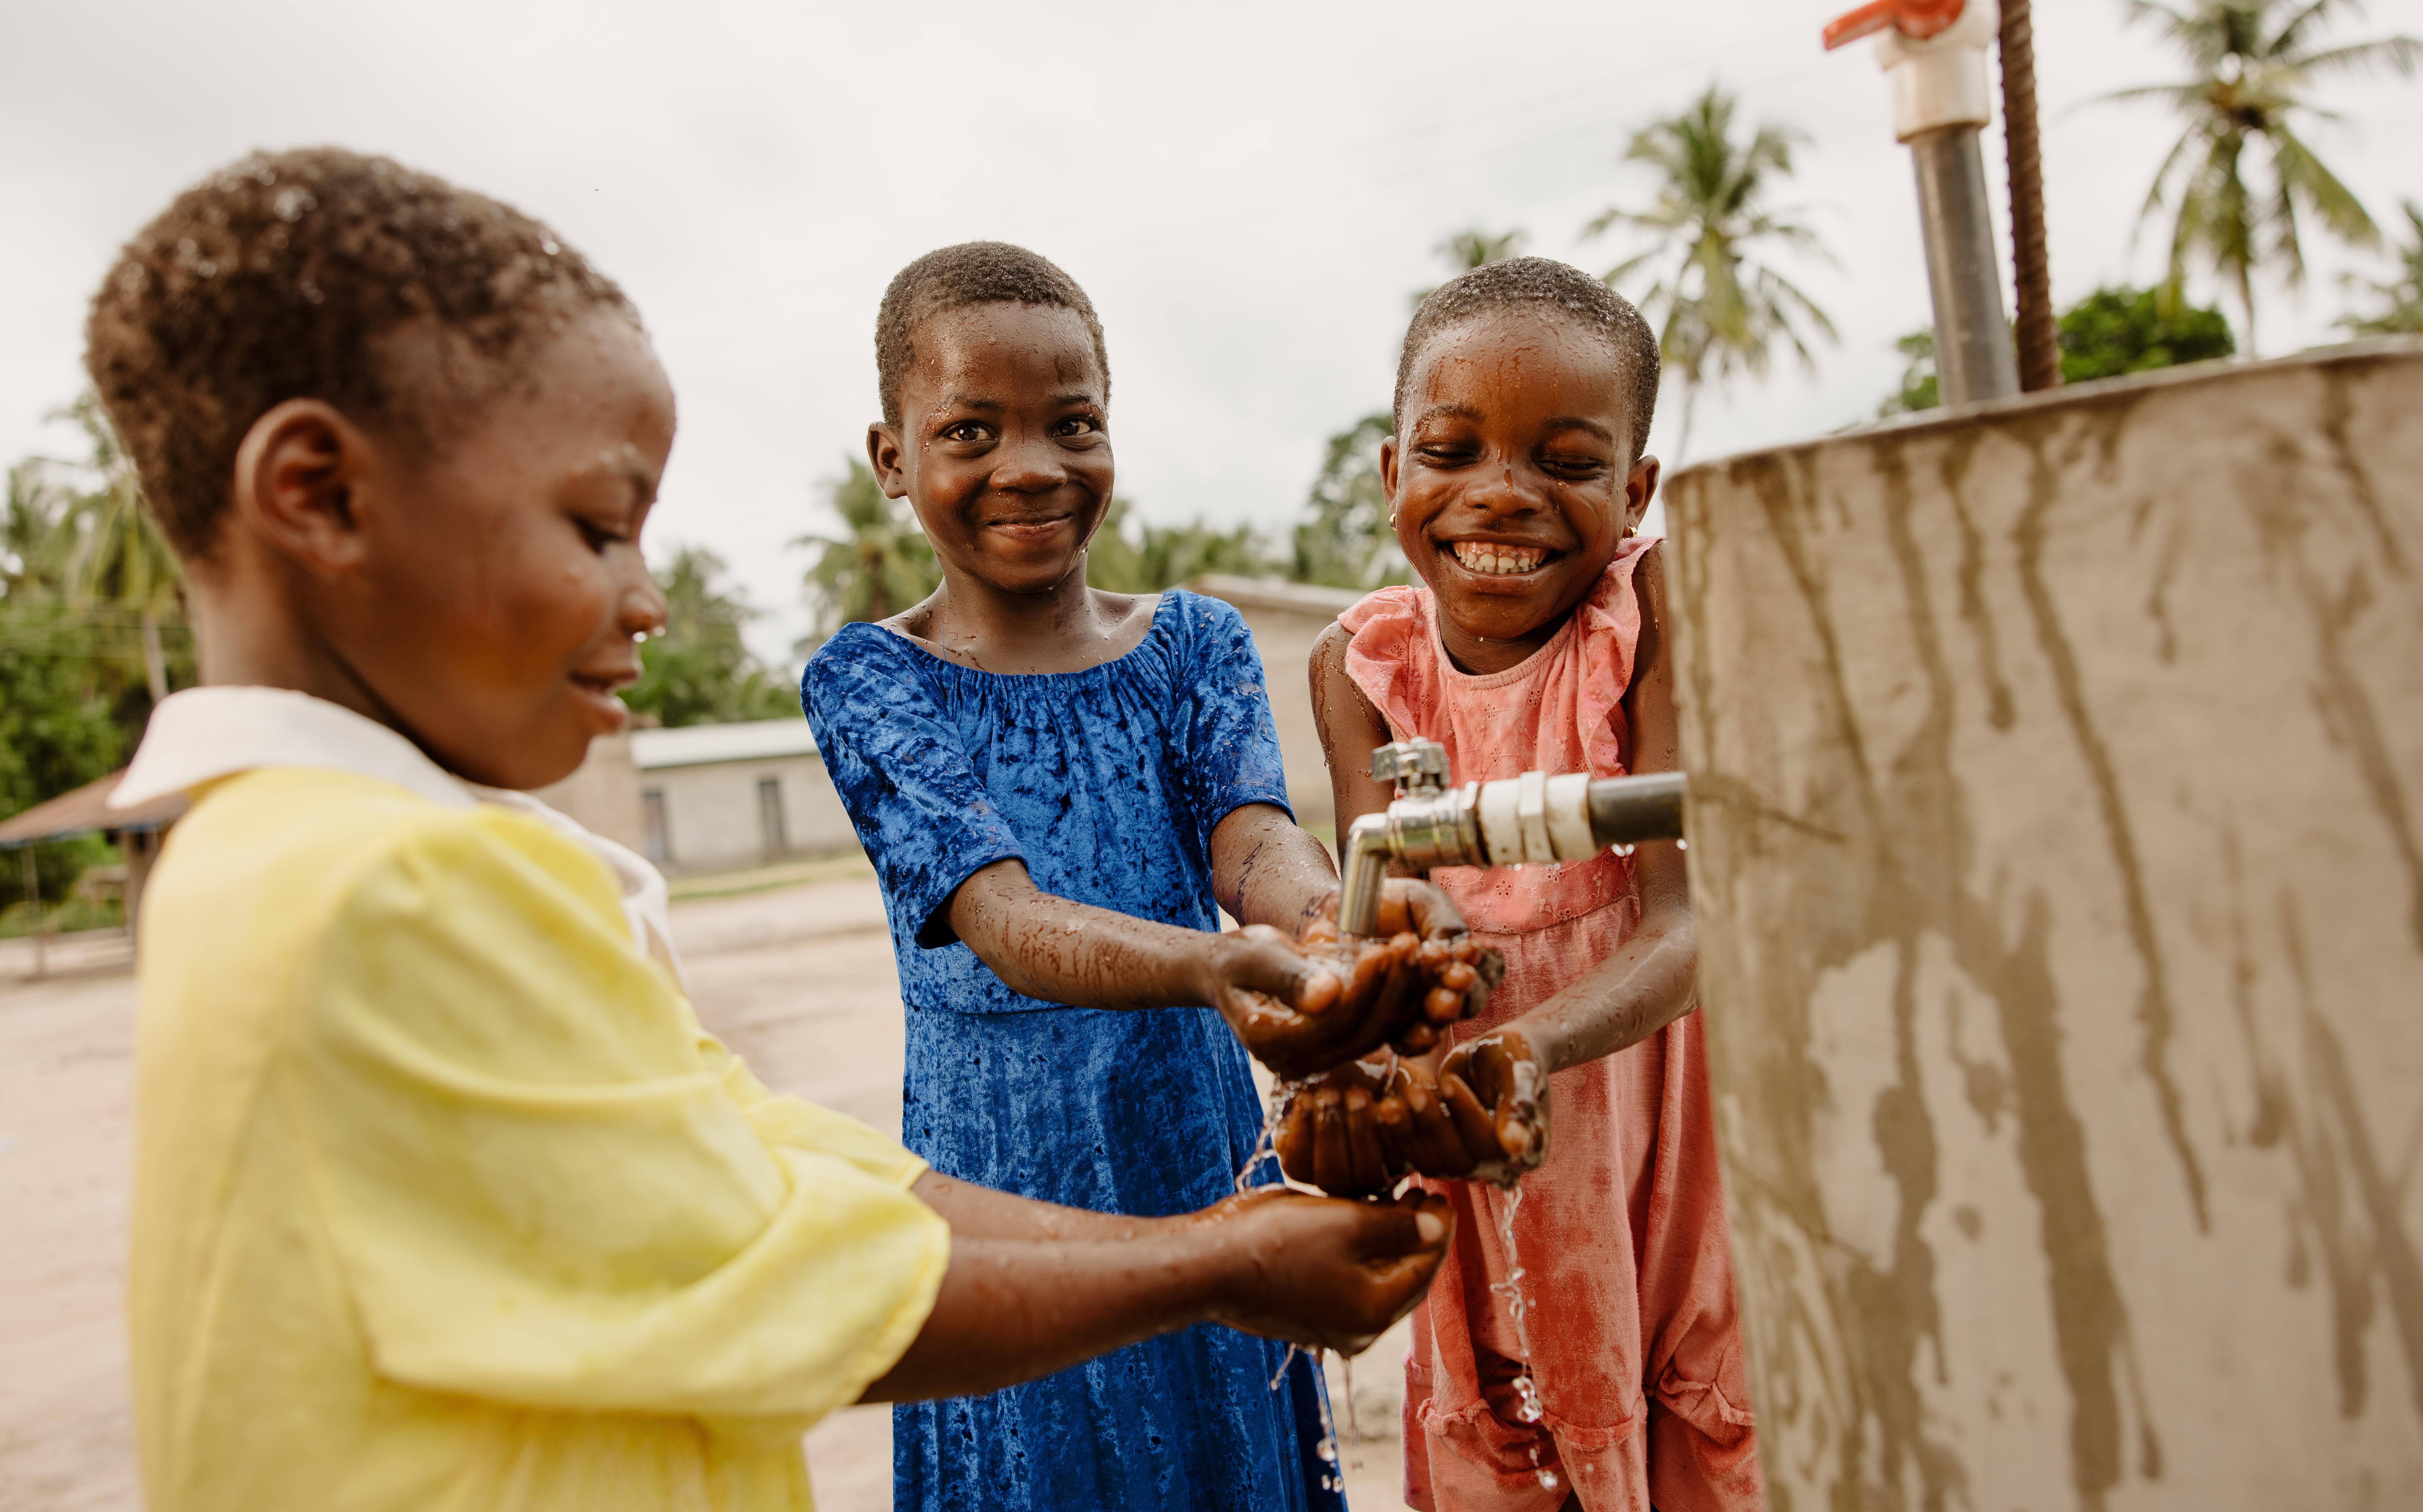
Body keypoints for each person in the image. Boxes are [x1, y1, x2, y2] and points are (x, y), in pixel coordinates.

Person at [91, 150, 1453, 1512]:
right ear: (321, 496)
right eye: (595, 528)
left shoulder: (317, 857)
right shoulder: (379, 889)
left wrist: (1308, 960)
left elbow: (763, 1153)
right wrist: (1210, 1263)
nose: (647, 604)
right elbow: (783, 1267)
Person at [799, 242, 1490, 1512]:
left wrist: (1330, 917)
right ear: (892, 460)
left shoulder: (1191, 643)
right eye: (969, 429)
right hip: (1002, 1171)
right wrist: (1223, 966)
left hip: (1189, 1136)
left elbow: (1252, 839)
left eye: (1072, 424)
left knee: (1221, 1425)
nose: (1029, 467)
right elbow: (1000, 918)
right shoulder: (869, 680)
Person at [1299, 258, 1763, 1512]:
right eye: (1452, 451)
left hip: (1647, 1153)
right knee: (1503, 1425)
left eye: (1564, 463)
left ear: (1634, 489)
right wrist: (1364, 1040)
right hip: (1473, 1155)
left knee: (1684, 1417)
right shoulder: (1362, 667)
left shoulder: (1644, 618)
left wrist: (1531, 1049)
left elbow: (1690, 921)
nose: (1500, 495)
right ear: (1395, 474)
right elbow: (1387, 913)